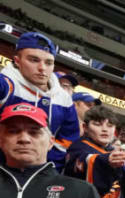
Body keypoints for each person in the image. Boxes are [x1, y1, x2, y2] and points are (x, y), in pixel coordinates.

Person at [0, 32, 80, 172]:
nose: (42, 68)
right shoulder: (7, 84)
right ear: (17, 61)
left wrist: (48, 169)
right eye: (34, 60)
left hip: (42, 173)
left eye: (48, 62)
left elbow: (67, 140)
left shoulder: (64, 97)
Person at [64, 106, 125, 198]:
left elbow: (124, 185)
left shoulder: (113, 151)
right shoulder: (78, 147)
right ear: (85, 127)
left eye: (110, 125)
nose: (105, 129)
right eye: (97, 124)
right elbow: (84, 160)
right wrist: (106, 161)